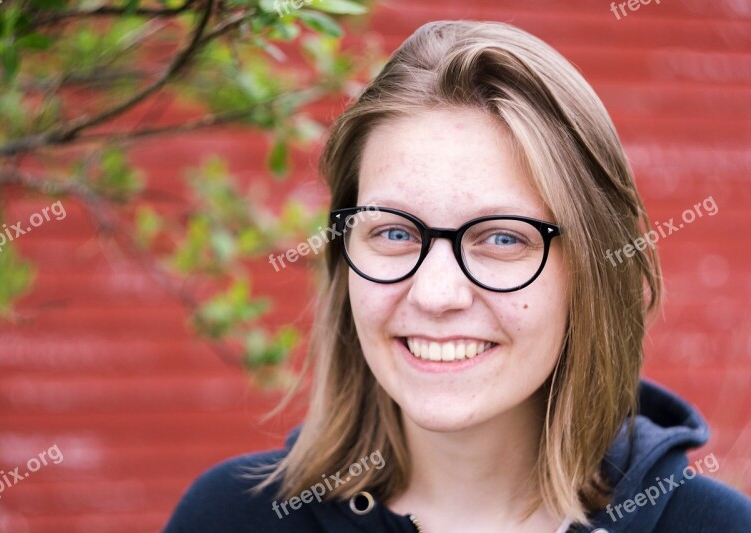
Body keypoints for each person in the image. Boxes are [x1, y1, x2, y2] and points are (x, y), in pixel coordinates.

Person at [163, 20, 751, 532]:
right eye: (394, 232)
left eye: (502, 238)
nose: (436, 294)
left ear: (593, 270)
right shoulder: (232, 518)